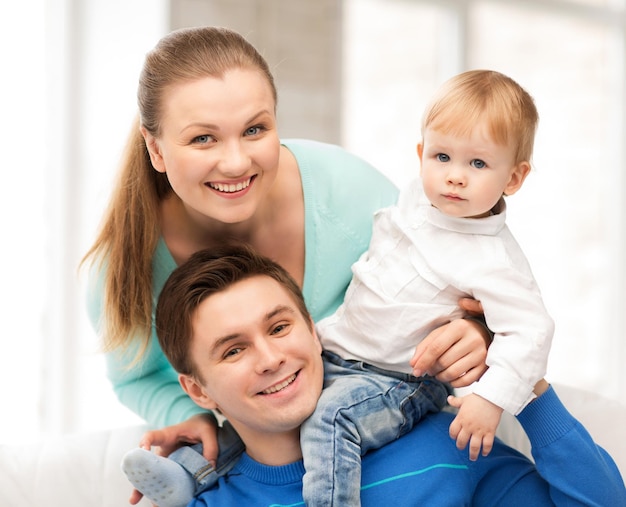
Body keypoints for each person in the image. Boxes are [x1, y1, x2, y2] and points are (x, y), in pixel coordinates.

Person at [82, 25, 491, 505]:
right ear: (156, 149)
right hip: (268, 453)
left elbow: (466, 279)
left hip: (391, 415)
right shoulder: (123, 266)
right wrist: (191, 416)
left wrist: (476, 330)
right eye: (202, 139)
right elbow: (135, 375)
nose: (235, 162)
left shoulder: (350, 193)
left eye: (255, 130)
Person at [130, 245, 626, 506]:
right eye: (234, 349)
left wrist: (519, 376)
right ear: (197, 389)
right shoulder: (207, 500)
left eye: (279, 327)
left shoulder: (447, 445)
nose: (269, 358)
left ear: (314, 332)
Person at [297, 69, 555, 505]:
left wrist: (490, 399)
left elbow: (531, 331)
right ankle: (193, 470)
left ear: (513, 177)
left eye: (478, 163)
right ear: (420, 155)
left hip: (398, 380)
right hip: (335, 351)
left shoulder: (494, 260)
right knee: (268, 409)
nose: (455, 176)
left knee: (330, 418)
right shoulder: (416, 197)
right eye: (441, 157)